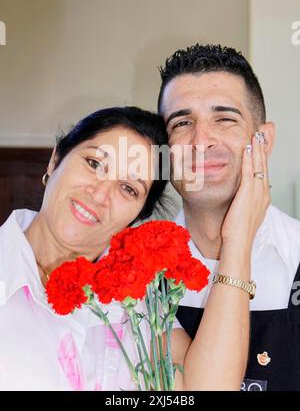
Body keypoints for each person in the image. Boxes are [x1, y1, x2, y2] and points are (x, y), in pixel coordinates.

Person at [0, 105, 269, 391]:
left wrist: (238, 241)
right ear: (55, 160)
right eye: (94, 163)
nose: (100, 194)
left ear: (138, 215)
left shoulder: (138, 303)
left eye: (128, 188)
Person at [158, 44, 300, 391]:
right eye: (182, 122)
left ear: (263, 140)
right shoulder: (132, 273)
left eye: (224, 119)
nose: (201, 141)